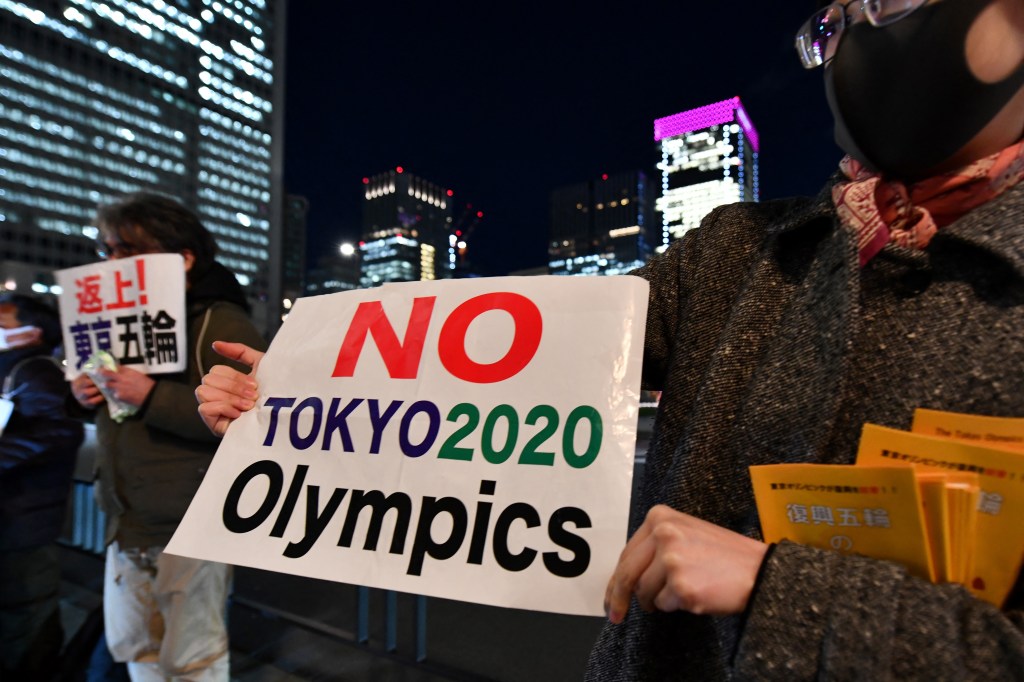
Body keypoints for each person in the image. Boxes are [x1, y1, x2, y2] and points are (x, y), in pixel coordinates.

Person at [196, 0, 1024, 678]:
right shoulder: (734, 250)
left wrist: (782, 589)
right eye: (835, 23)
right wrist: (305, 403)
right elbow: (516, 366)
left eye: (888, 3)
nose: (855, 43)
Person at [70, 192, 267, 681]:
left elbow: (254, 417)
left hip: (188, 522)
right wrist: (81, 392)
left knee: (194, 656)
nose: (114, 263)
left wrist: (150, 395)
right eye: (108, 250)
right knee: (139, 648)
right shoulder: (112, 324)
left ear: (182, 259)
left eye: (129, 251)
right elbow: (113, 408)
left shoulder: (216, 321)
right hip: (125, 520)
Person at [0, 294, 84, 680]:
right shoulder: (12, 366)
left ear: (31, 332)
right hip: (15, 517)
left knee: (27, 618)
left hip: (25, 521)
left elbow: (60, 432)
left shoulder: (36, 372)